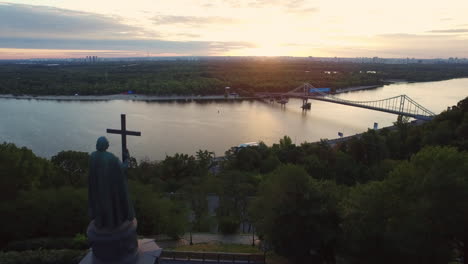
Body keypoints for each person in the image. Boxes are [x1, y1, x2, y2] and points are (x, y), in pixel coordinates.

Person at [88, 136, 135, 230]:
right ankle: (112, 223)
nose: (109, 144)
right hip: (109, 191)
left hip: (97, 190)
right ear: (105, 145)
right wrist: (127, 159)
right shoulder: (111, 158)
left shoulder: (92, 156)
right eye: (107, 143)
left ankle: (101, 222)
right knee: (111, 206)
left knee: (100, 206)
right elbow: (123, 168)